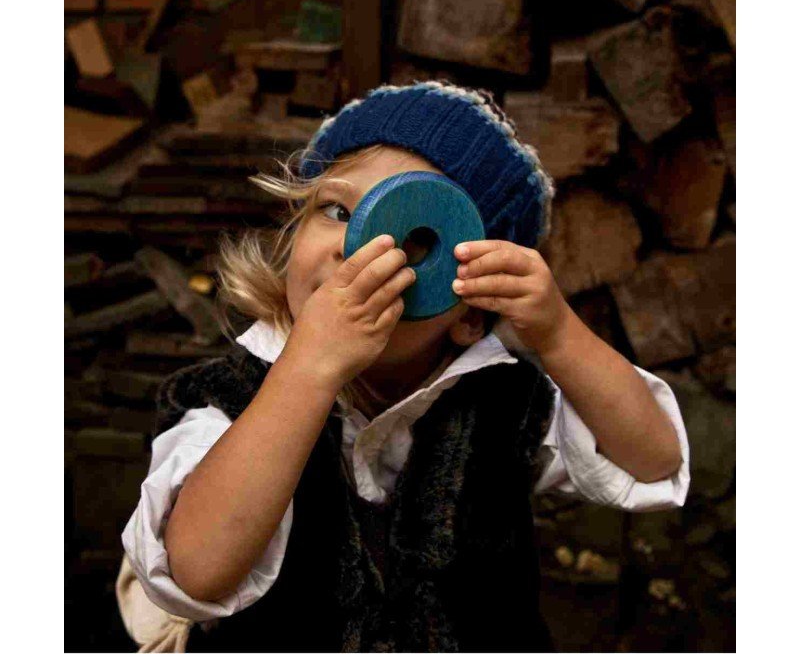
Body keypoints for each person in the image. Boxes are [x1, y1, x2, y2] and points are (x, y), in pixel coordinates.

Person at [117, 80, 689, 652]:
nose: (357, 248)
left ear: (470, 312)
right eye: (338, 210)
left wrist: (560, 334)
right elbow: (195, 572)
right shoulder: (224, 399)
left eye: (413, 239)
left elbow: (652, 459)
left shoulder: (505, 405)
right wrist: (309, 368)